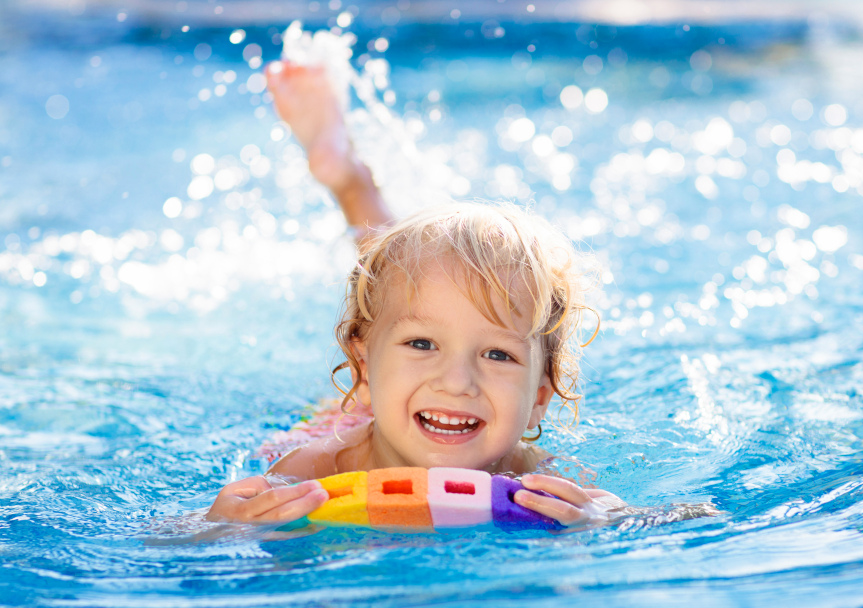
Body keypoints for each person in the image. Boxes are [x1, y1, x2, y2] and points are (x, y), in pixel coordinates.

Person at [205, 60, 630, 529]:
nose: (456, 382)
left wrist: (607, 517)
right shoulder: (314, 469)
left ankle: (350, 177)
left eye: (497, 354)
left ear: (539, 399)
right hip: (344, 418)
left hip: (397, 395)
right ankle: (349, 177)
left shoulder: (542, 478)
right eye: (422, 345)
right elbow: (175, 545)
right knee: (391, 279)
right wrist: (224, 524)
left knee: (406, 290)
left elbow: (682, 519)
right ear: (361, 371)